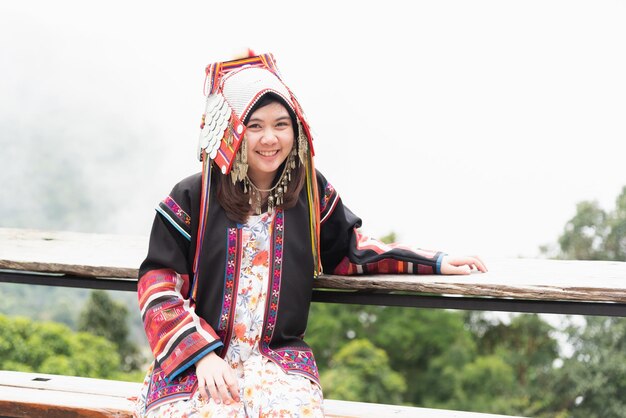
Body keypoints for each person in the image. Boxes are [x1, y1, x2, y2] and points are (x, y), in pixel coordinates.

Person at [134, 53, 487, 418]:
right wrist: (202, 356)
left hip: (278, 362)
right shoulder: (193, 198)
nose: (269, 138)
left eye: (281, 125)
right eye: (254, 126)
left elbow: (352, 252)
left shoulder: (309, 193)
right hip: (200, 363)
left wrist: (436, 261)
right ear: (232, 130)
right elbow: (157, 286)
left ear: (296, 129)